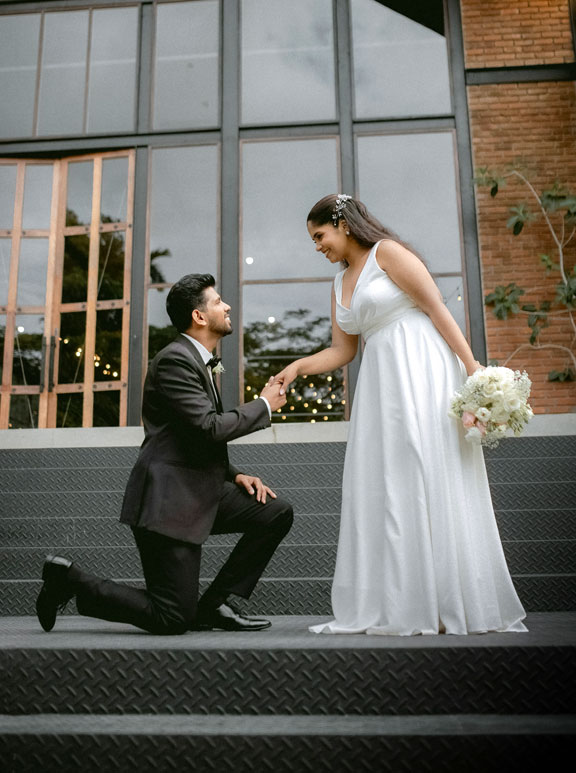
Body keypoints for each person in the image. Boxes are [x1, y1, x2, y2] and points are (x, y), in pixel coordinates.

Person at [276, 194, 526, 635]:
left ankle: (450, 602)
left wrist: (473, 369)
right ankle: (405, 601)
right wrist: (297, 367)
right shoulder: (338, 283)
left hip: (422, 366)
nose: (317, 246)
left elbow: (436, 309)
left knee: (427, 466)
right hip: (381, 383)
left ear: (343, 224)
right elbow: (342, 350)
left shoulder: (387, 253)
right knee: (390, 480)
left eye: (319, 235)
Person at [36, 273, 293, 635]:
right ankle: (70, 579)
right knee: (172, 618)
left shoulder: (197, 360)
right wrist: (264, 405)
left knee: (276, 512)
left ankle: (213, 604)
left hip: (198, 490)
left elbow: (189, 438)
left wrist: (234, 474)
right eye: (218, 301)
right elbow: (208, 427)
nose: (227, 306)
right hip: (168, 501)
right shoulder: (175, 360)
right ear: (199, 316)